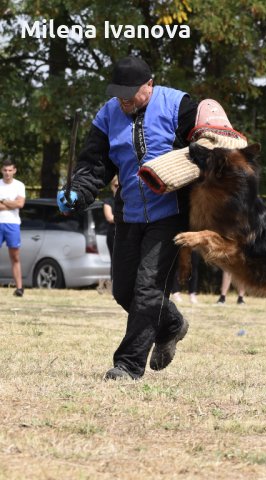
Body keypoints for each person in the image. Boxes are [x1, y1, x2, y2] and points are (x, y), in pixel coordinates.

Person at [57, 56, 198, 380]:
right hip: (129, 212)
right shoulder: (108, 113)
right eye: (118, 93)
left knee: (147, 288)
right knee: (123, 291)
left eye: (129, 93)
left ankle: (128, 365)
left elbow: (205, 145)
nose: (122, 100)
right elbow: (95, 164)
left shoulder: (179, 105)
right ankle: (172, 324)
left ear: (149, 84)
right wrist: (78, 192)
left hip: (170, 213)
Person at [0, 159, 26, 297]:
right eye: (5, 170)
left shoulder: (19, 185)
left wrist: (3, 201)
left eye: (10, 170)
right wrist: (12, 203)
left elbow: (20, 204)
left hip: (13, 224)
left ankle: (19, 288)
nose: (7, 173)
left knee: (15, 256)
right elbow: (15, 203)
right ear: (1, 170)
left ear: (14, 171)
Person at [103, 176, 118, 279]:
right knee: (115, 260)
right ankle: (114, 286)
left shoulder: (126, 201)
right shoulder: (108, 201)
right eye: (116, 186)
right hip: (113, 234)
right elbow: (109, 217)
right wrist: (124, 218)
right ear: (112, 186)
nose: (118, 188)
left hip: (126, 234)